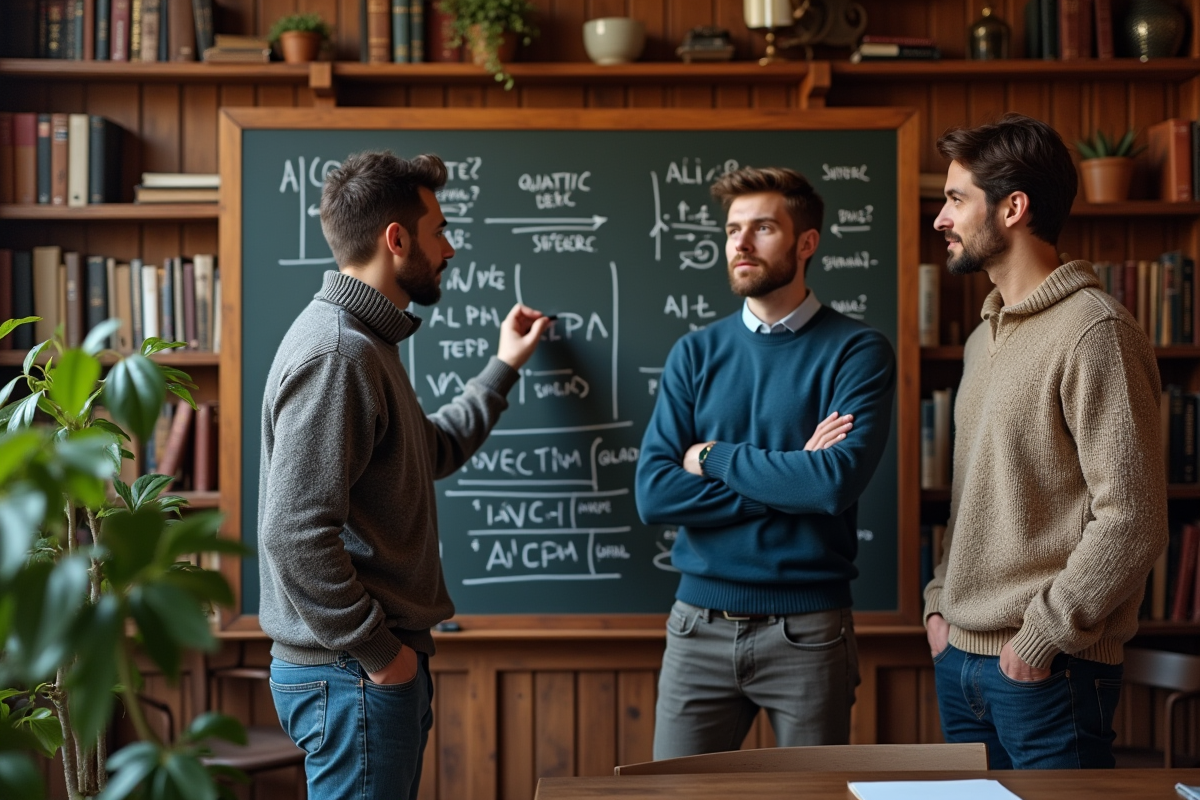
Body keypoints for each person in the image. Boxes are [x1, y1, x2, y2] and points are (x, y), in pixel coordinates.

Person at [257, 150, 550, 799]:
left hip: (358, 669)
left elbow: (432, 449)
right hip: (352, 672)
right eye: (439, 229)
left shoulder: (365, 343)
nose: (449, 248)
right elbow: (294, 532)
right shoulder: (340, 353)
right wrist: (380, 657)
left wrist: (502, 367)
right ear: (396, 239)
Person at [925, 113, 1168, 769]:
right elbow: (976, 499)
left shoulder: (1096, 332)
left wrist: (1041, 638)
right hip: (960, 663)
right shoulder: (984, 338)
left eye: (954, 199)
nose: (940, 219)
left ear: (1013, 207)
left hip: (1045, 672)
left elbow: (1134, 519)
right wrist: (937, 608)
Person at [635, 166, 897, 758]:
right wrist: (787, 475)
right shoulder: (694, 353)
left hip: (808, 633)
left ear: (806, 243)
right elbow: (654, 493)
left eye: (762, 228)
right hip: (695, 627)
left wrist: (712, 455)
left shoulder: (858, 352)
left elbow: (831, 486)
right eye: (732, 230)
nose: (741, 244)